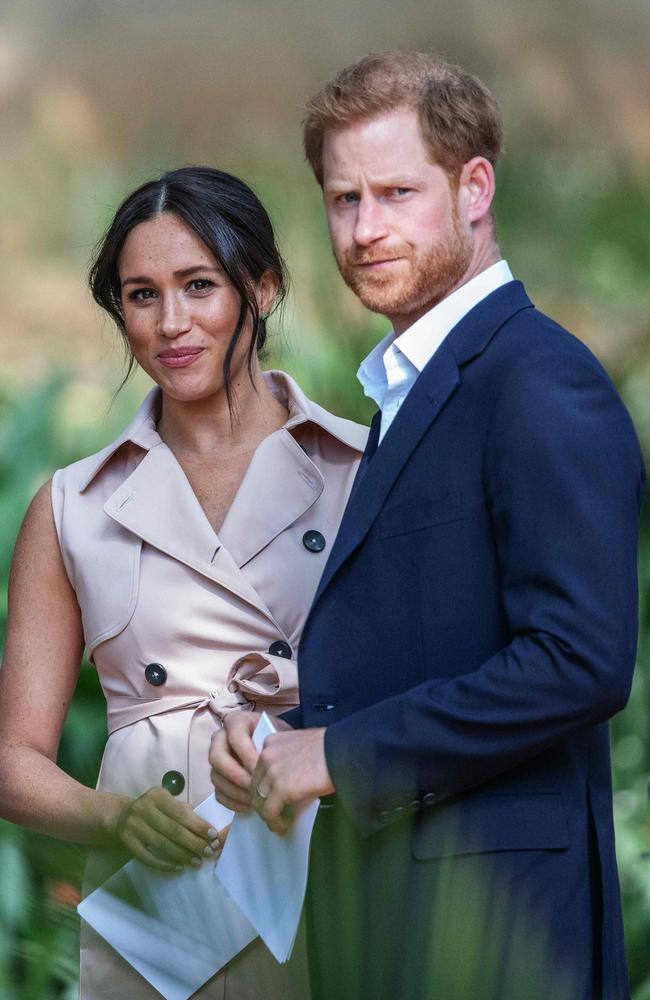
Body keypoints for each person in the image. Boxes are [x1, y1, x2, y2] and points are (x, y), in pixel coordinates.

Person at [209, 53, 645, 1000]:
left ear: (474, 186)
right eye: (343, 199)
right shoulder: (413, 390)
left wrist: (338, 754)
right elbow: (425, 644)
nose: (366, 231)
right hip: (400, 919)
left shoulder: (539, 382)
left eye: (397, 193)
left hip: (502, 932)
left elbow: (581, 660)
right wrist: (287, 733)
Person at [0, 165, 367, 999]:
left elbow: (427, 689)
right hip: (152, 906)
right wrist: (117, 819)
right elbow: (12, 760)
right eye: (140, 295)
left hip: (323, 861)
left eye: (199, 286)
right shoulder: (71, 506)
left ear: (262, 287)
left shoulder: (361, 470)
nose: (171, 323)